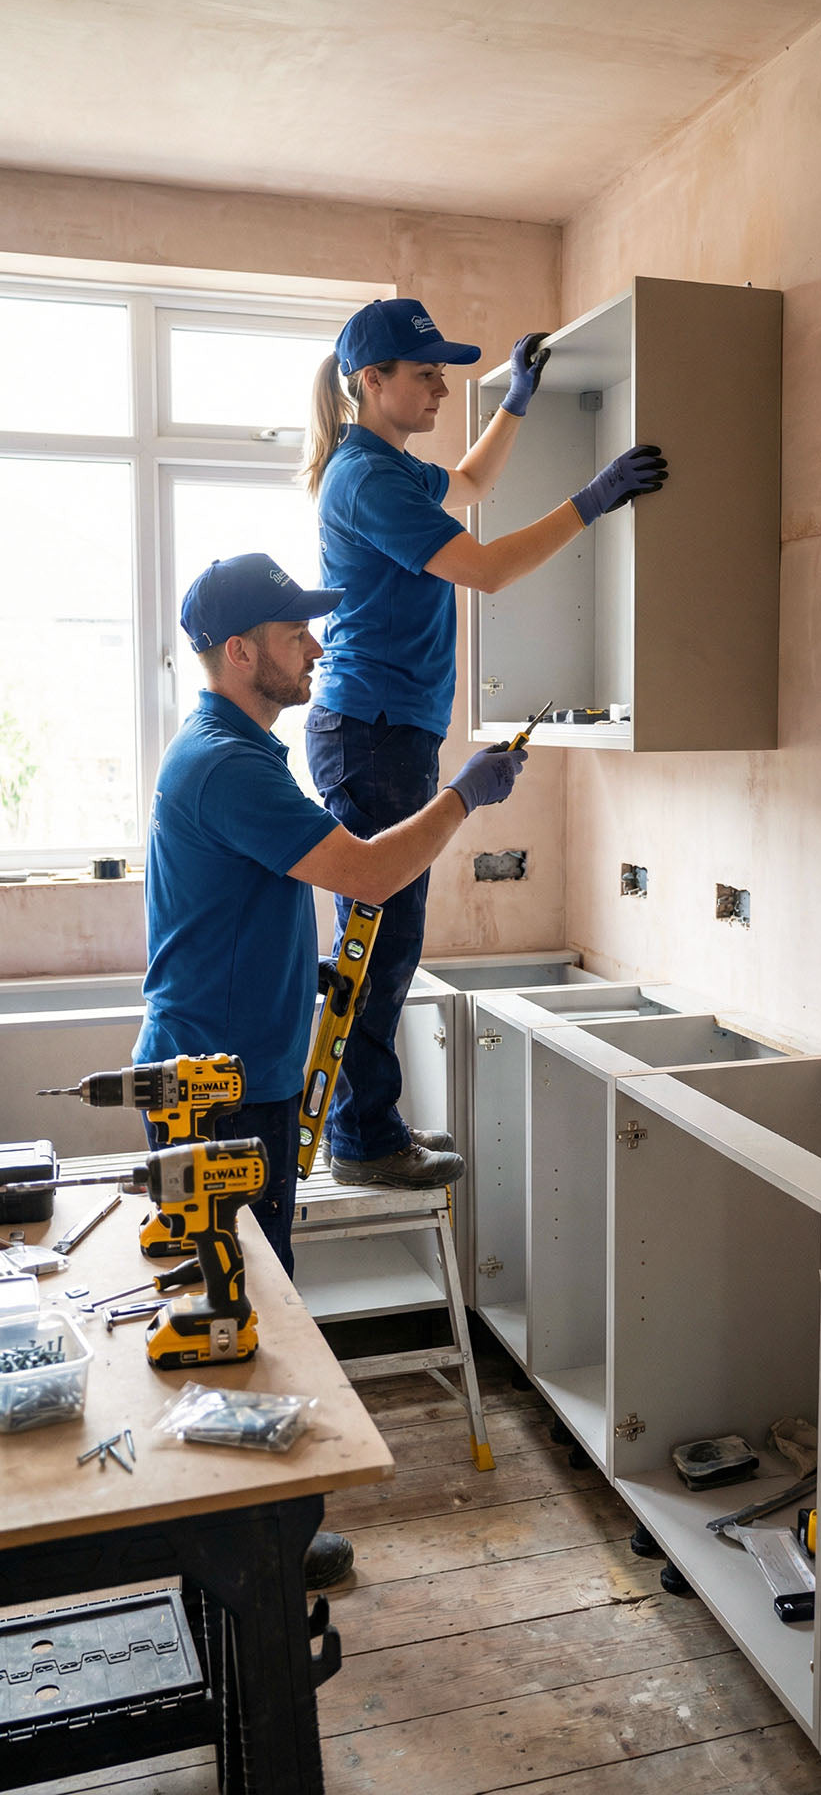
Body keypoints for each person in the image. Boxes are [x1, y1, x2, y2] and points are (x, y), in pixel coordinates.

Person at [133, 550, 525, 1588]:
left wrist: (292, 966)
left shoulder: (234, 753)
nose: (317, 645)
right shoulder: (228, 762)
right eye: (297, 632)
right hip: (212, 1096)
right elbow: (367, 870)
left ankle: (258, 1537)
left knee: (248, 1313)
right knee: (238, 1323)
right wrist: (462, 799)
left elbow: (248, 898)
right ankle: (249, 1554)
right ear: (240, 651)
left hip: (231, 1082)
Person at [301, 296, 667, 1188]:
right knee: (382, 947)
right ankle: (362, 1138)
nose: (439, 386)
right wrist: (591, 501)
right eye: (424, 373)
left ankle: (367, 1125)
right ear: (370, 380)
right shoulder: (367, 479)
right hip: (372, 733)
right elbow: (488, 569)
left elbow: (466, 487)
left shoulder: (386, 465)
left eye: (443, 372)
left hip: (386, 730)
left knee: (384, 942)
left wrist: (518, 402)